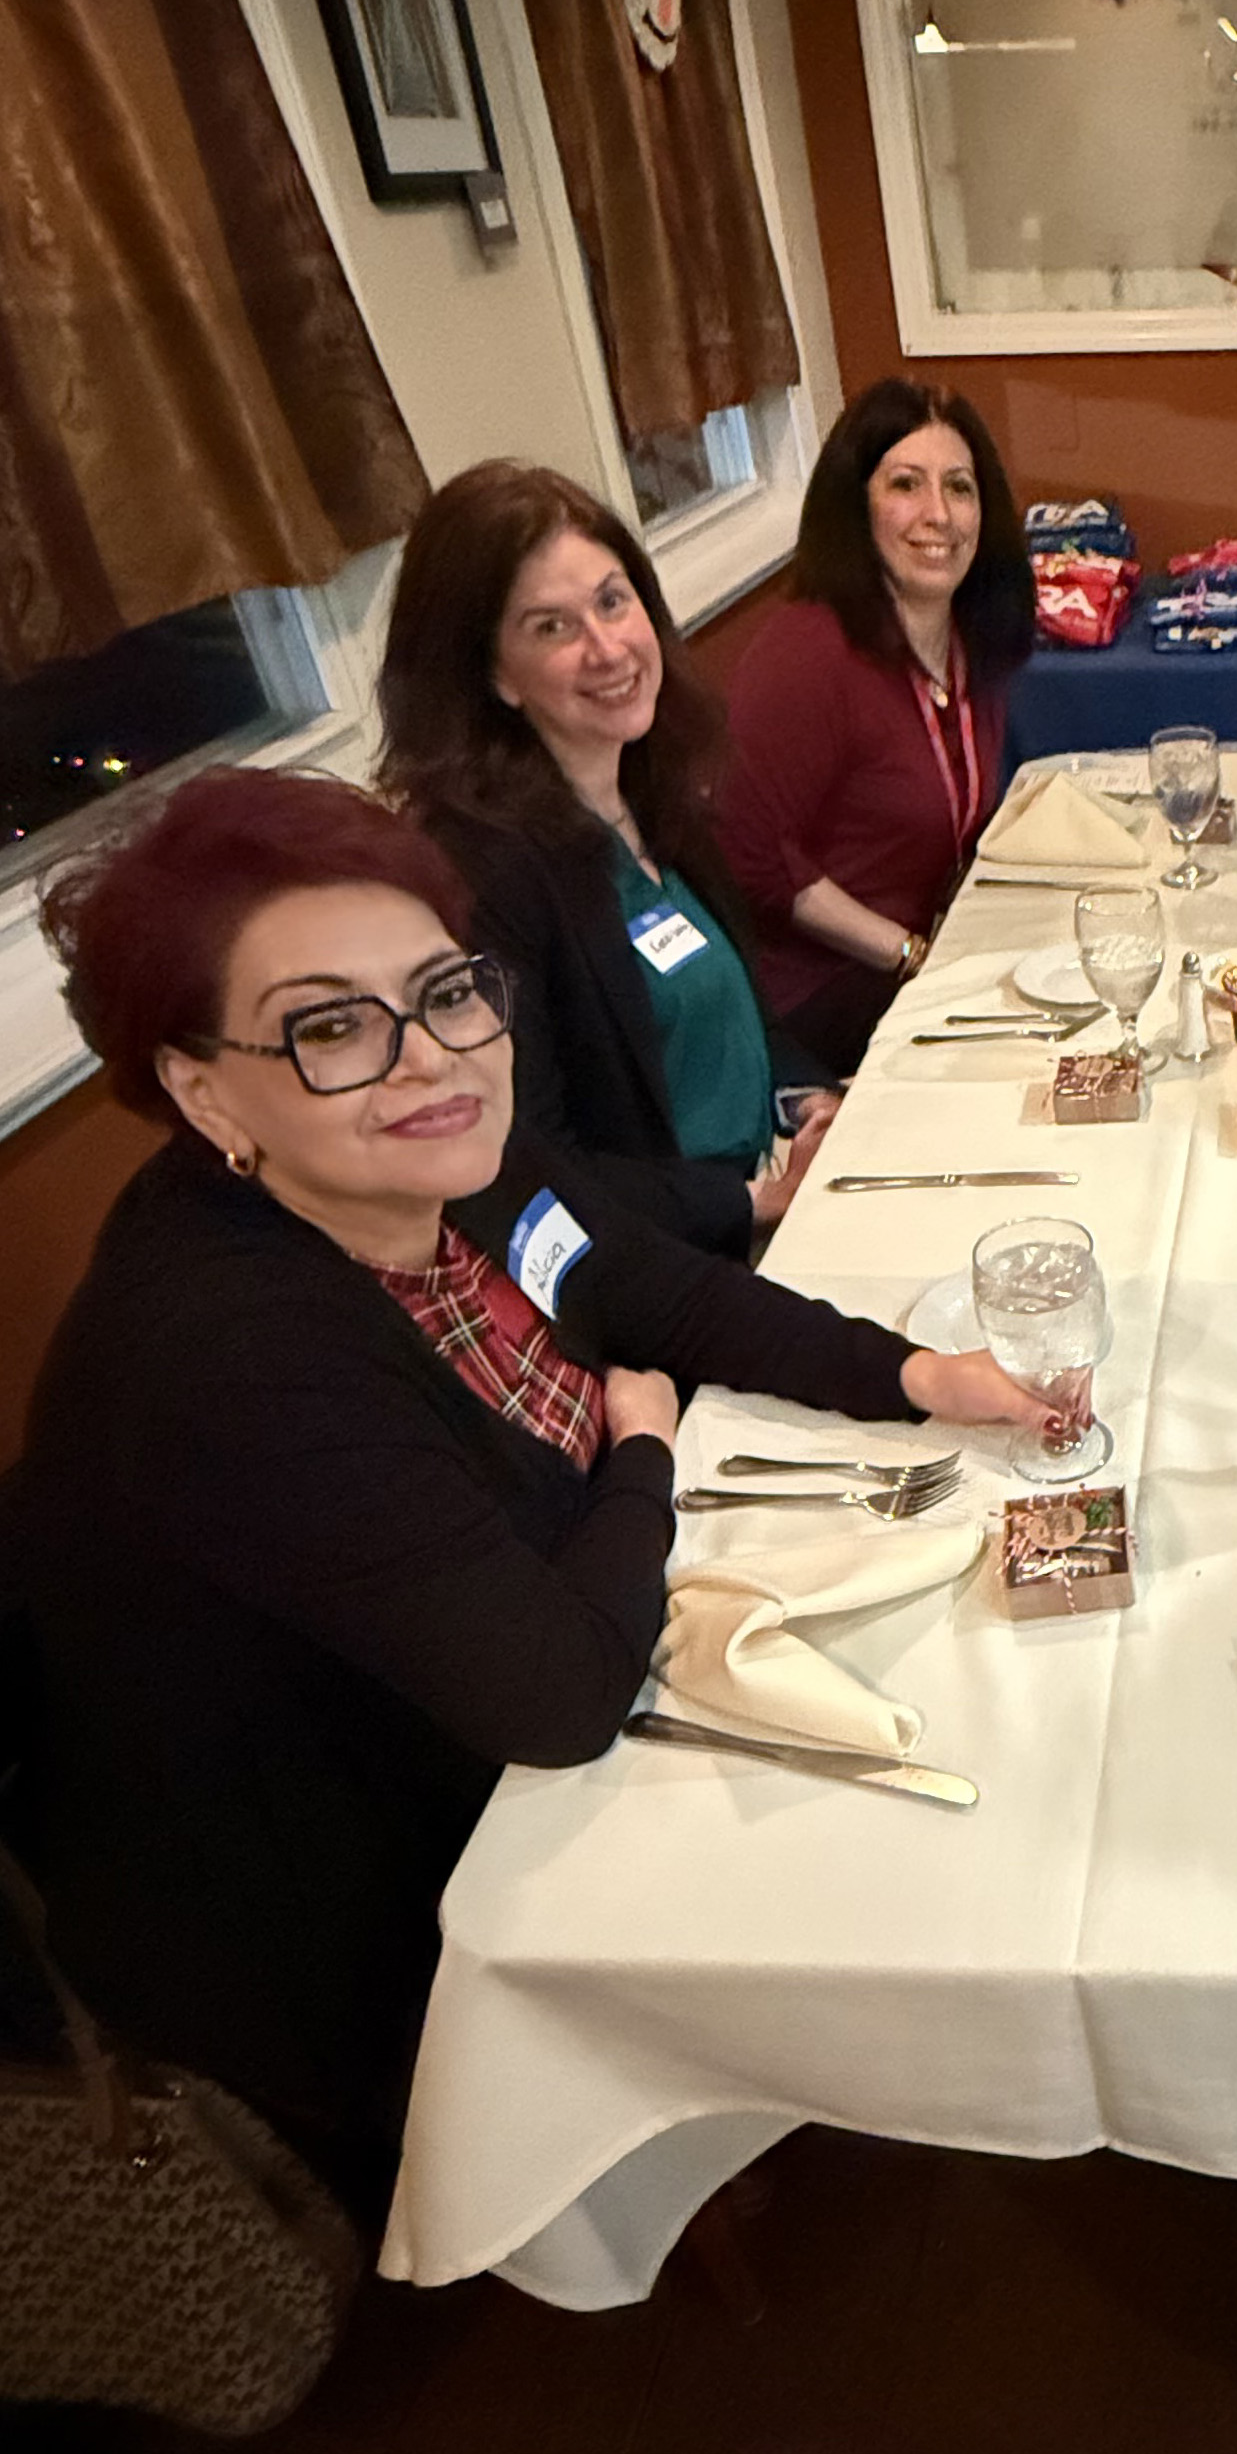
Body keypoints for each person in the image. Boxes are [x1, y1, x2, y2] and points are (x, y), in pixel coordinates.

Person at [20, 770, 1048, 2215]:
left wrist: (915, 1371)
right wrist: (640, 1448)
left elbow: (646, 1282)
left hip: (520, 1655)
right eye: (328, 1025)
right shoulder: (237, 1345)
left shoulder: (444, 1163)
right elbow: (557, 1695)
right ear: (201, 1088)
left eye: (447, 990)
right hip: (364, 1893)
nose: (427, 1054)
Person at [380, 462, 822, 1260]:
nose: (607, 647)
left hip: (768, 1198)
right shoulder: (485, 875)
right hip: (667, 1269)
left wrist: (808, 1099)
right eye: (552, 627)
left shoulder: (653, 790)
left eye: (613, 602)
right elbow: (529, 1165)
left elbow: (737, 1013)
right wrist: (751, 1201)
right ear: (494, 675)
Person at [717, 380, 1037, 1074]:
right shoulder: (807, 654)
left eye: (959, 487)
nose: (938, 515)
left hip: (928, 958)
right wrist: (909, 954)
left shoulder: (968, 636)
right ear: (855, 504)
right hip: (822, 998)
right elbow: (748, 852)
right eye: (905, 484)